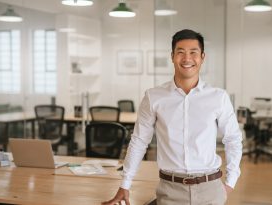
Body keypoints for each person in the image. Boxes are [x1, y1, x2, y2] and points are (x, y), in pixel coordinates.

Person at [102, 29, 243, 205]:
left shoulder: (218, 97)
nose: (187, 58)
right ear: (172, 56)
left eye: (193, 52)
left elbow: (233, 140)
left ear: (202, 57)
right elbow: (139, 141)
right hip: (170, 190)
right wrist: (125, 184)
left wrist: (230, 183)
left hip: (210, 189)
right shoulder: (154, 97)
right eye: (181, 52)